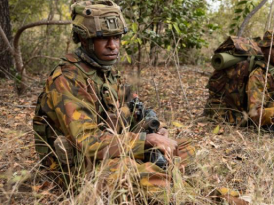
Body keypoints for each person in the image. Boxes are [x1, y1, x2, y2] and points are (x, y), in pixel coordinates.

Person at [32, 0, 195, 203]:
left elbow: (136, 109)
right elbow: (87, 141)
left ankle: (169, 180)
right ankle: (174, 187)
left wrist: (158, 130)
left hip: (112, 150)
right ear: (84, 40)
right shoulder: (67, 79)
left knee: (185, 147)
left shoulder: (107, 73)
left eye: (117, 37)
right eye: (104, 39)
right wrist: (148, 141)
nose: (113, 46)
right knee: (129, 172)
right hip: (77, 167)